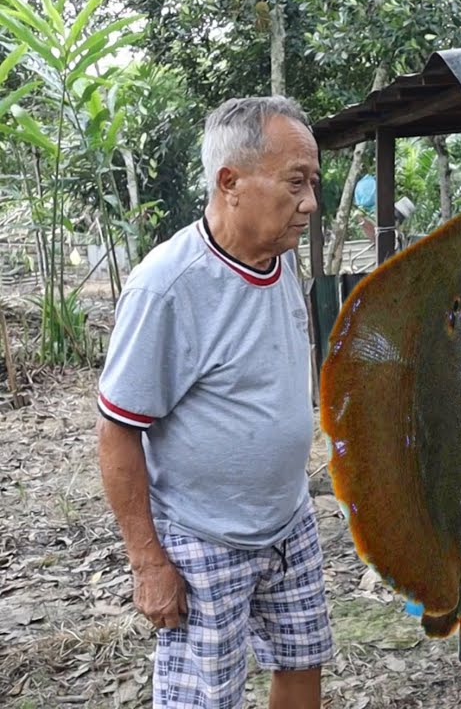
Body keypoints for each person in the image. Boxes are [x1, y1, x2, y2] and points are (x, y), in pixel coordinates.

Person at [96, 96, 333, 708]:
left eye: (313, 183)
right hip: (204, 536)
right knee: (206, 698)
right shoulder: (168, 287)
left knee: (303, 663)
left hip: (288, 521)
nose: (310, 202)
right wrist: (148, 563)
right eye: (295, 182)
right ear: (230, 182)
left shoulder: (280, 264)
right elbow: (118, 431)